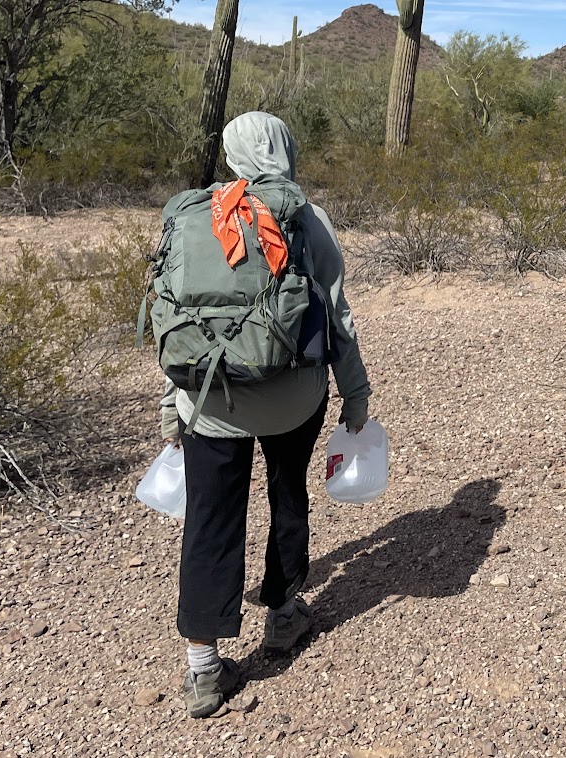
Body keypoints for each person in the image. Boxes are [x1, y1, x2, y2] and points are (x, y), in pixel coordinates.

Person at [157, 111, 373, 718]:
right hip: (291, 395)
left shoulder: (189, 215)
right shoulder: (304, 214)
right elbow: (336, 315)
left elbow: (170, 315)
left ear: (230, 154)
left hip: (207, 399)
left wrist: (171, 410)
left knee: (210, 517)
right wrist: (355, 396)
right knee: (287, 493)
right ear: (285, 148)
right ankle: (282, 615)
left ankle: (203, 667)